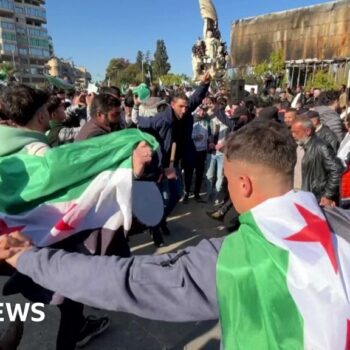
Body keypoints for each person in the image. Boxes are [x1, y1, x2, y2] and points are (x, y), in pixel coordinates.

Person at [3, 119, 350, 349]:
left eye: (227, 181)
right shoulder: (342, 225)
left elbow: (125, 281)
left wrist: (30, 257)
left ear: (242, 184)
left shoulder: (232, 261)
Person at [291, 116, 343, 207]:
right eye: (292, 132)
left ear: (308, 131)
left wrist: (328, 195)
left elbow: (336, 170)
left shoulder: (321, 147)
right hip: (302, 196)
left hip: (316, 199)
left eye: (296, 132)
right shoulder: (300, 146)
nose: (293, 135)